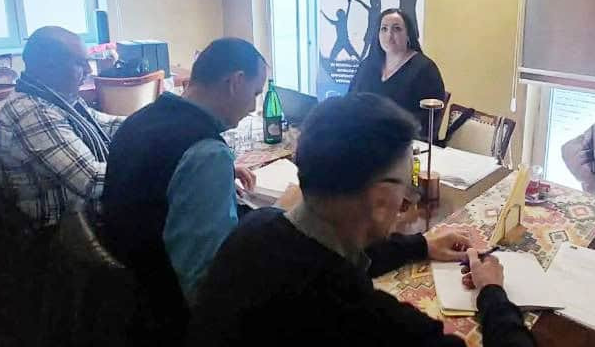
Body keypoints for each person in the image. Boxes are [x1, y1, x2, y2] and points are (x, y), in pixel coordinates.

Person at [186, 93, 535, 347]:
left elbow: (325, 254)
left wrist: (421, 245)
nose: (407, 199)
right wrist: (493, 293)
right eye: (405, 187)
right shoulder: (361, 316)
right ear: (380, 200)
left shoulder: (255, 230)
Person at [98, 37, 281, 345]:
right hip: (170, 315)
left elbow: (157, 177)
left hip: (129, 293)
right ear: (235, 82)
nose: (252, 107)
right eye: (255, 93)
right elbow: (207, 282)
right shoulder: (205, 152)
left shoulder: (140, 119)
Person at [0, 26, 124, 229]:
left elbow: (105, 125)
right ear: (49, 66)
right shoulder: (33, 112)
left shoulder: (57, 99)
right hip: (66, 231)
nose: (89, 71)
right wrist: (152, 164)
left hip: (83, 216)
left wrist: (154, 123)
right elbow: (91, 180)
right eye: (80, 63)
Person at [348, 7, 445, 136]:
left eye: (397, 29)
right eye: (384, 29)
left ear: (408, 34)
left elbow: (427, 119)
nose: (389, 35)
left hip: (402, 140)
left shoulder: (425, 69)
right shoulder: (368, 64)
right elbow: (351, 100)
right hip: (362, 136)